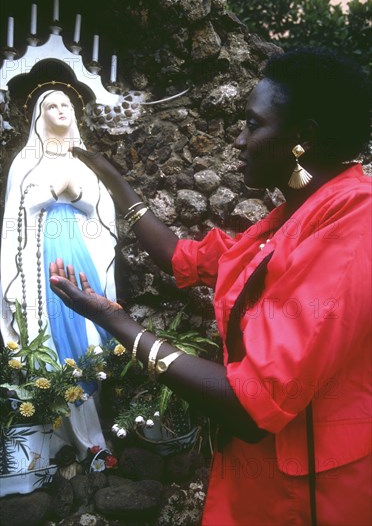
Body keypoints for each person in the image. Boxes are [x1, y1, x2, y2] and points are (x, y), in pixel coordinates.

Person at [49, 49, 371, 525]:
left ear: (302, 138)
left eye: (252, 125)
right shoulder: (290, 220)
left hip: (311, 496)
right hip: (258, 477)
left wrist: (114, 321)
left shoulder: (351, 225)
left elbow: (248, 403)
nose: (238, 141)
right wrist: (115, 180)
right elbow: (183, 257)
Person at [0, 90, 117, 460]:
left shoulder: (82, 158)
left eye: (66, 104)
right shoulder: (26, 158)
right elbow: (18, 211)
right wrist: (55, 188)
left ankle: (93, 432)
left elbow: (103, 206)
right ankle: (59, 433)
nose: (60, 109)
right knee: (52, 326)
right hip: (42, 255)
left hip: (81, 249)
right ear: (39, 114)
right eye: (51, 105)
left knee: (87, 327)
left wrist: (76, 188)